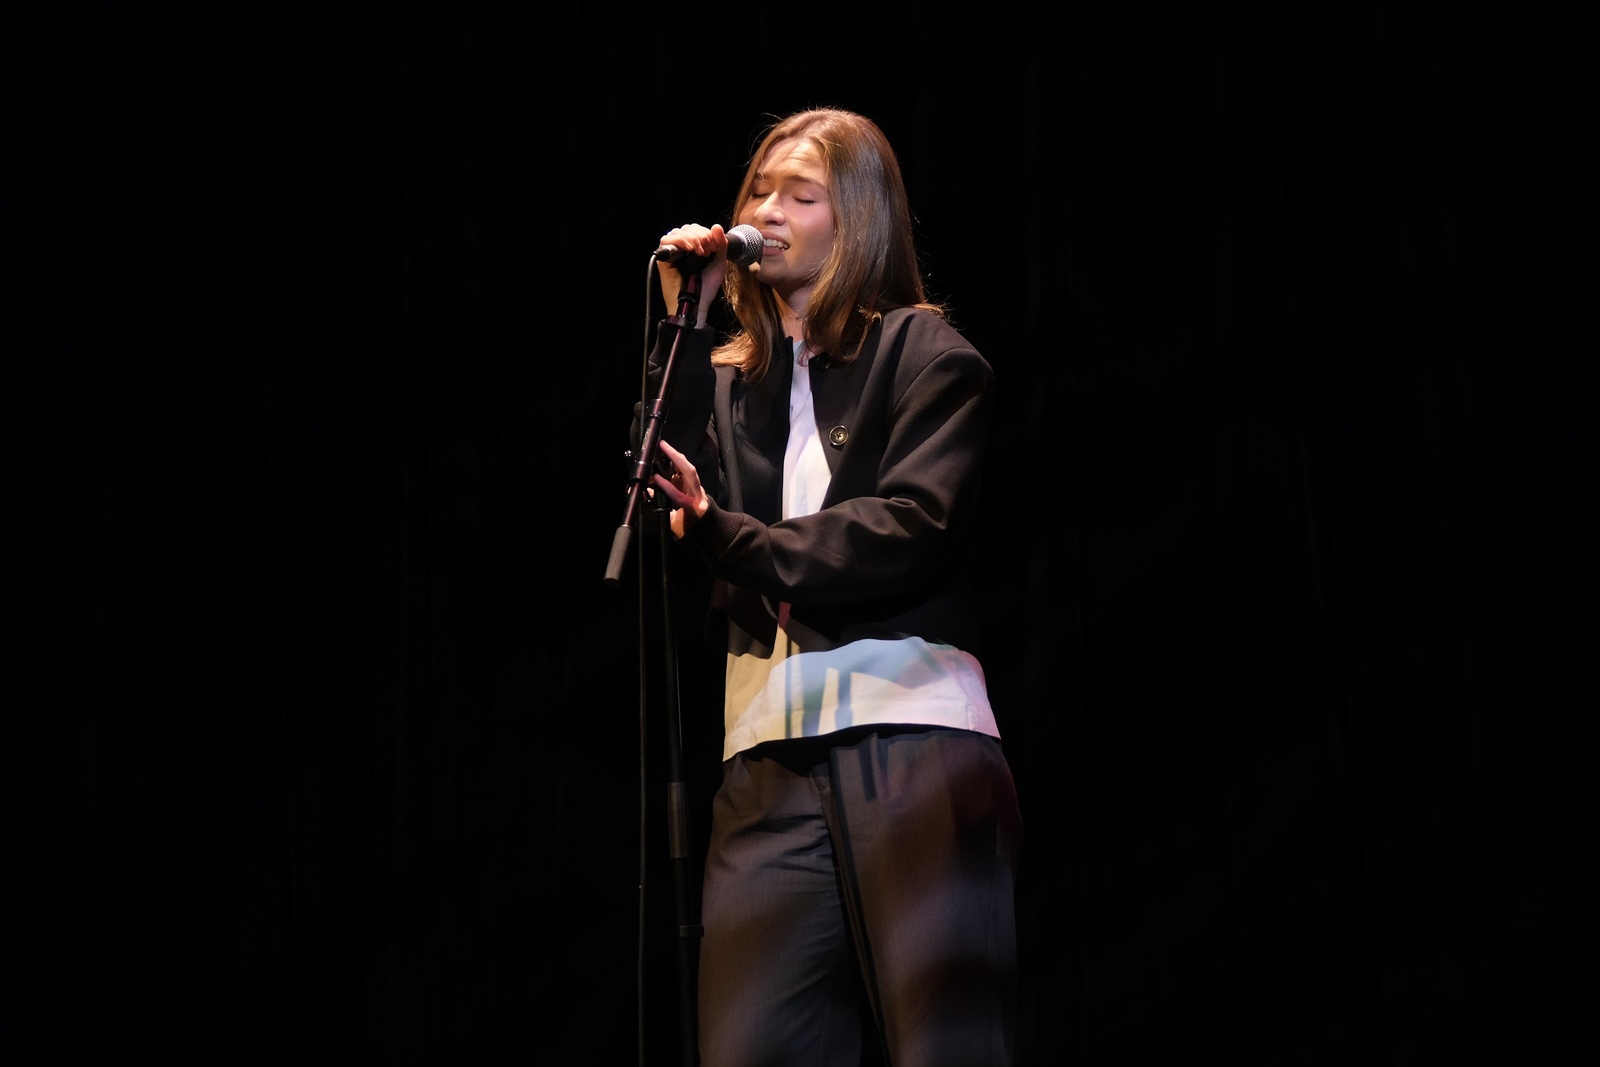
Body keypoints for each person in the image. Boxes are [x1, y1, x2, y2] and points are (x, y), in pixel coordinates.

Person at [639, 106, 1022, 1067]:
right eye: (758, 191)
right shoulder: (731, 380)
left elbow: (908, 527)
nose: (766, 211)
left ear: (857, 220)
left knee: (943, 1044)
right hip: (765, 754)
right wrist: (685, 320)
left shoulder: (928, 356)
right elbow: (668, 488)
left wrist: (734, 538)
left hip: (910, 736)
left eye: (799, 195)